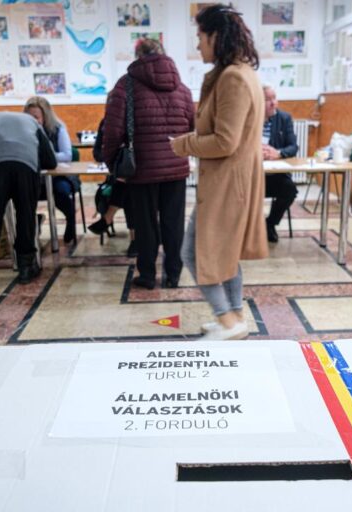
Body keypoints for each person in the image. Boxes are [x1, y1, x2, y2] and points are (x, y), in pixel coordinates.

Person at [170, 4, 267, 339]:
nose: (197, 44)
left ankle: (227, 321)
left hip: (228, 184)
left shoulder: (233, 78)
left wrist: (183, 144)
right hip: (229, 182)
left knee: (196, 252)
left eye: (200, 36)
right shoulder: (239, 73)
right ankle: (235, 316)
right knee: (223, 252)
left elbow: (226, 141)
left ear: (216, 36)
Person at [102, 39, 194, 289]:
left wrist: (113, 164)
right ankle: (173, 275)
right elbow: (192, 126)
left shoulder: (126, 85)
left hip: (141, 169)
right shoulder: (182, 88)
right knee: (174, 223)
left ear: (138, 56)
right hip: (176, 167)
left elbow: (112, 131)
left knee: (145, 225)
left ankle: (147, 275)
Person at [0, 111, 57, 291]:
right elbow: (50, 160)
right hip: (26, 167)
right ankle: (26, 268)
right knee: (26, 216)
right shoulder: (33, 123)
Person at [23, 96, 79, 244]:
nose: (32, 121)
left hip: (59, 175)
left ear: (45, 116)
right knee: (21, 191)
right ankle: (32, 222)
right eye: (29, 117)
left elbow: (67, 155)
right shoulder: (22, 131)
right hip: (34, 177)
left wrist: (45, 156)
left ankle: (71, 218)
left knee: (60, 190)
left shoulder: (58, 128)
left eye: (36, 117)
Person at [88, 117, 138, 257]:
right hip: (118, 175)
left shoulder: (136, 119)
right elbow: (97, 152)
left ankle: (107, 218)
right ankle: (134, 239)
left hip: (140, 175)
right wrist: (117, 157)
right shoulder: (106, 122)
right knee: (125, 185)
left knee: (127, 186)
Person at [261, 85, 298, 243]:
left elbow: (293, 147)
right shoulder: (249, 118)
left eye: (274, 98)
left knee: (289, 190)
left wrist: (278, 153)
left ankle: (270, 223)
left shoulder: (284, 118)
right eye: (268, 99)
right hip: (252, 176)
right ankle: (249, 228)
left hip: (275, 174)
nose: (273, 103)